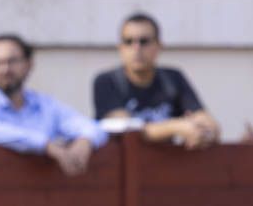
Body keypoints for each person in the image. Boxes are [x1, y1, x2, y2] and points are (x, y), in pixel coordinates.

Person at [0, 33, 106, 177]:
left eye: (12, 61)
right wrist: (46, 145)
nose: (5, 69)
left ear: (29, 64)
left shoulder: (44, 104)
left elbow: (92, 127)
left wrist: (85, 141)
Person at [92, 12, 220, 149]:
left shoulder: (173, 78)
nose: (137, 48)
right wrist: (176, 127)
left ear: (159, 45)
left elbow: (208, 122)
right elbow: (128, 129)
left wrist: (202, 133)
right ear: (120, 48)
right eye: (128, 41)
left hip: (168, 161)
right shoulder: (106, 82)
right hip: (124, 160)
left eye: (144, 41)